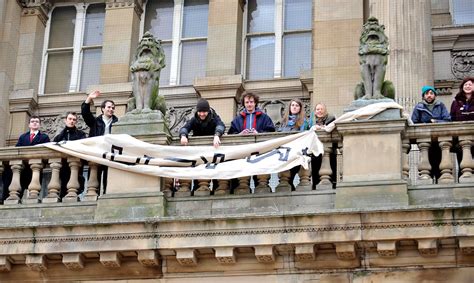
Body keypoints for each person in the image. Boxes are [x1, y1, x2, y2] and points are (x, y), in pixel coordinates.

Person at [81, 90, 118, 194]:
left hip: (110, 153)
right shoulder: (95, 122)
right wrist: (89, 98)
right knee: (94, 177)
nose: (111, 109)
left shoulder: (117, 122)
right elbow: (85, 113)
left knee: (108, 177)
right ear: (103, 109)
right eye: (109, 107)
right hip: (96, 152)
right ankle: (93, 196)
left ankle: (106, 196)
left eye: (113, 108)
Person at [412, 86, 451, 182]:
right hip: (425, 140)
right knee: (427, 162)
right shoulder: (418, 107)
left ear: (434, 95)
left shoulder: (440, 105)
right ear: (423, 96)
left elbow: (447, 120)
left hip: (439, 139)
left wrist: (435, 121)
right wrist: (426, 123)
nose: (429, 95)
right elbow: (414, 122)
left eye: (431, 93)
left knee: (439, 163)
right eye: (427, 93)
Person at [8, 116, 50, 200]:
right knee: (19, 189)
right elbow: (17, 150)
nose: (34, 123)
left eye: (37, 122)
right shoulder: (23, 137)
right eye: (32, 121)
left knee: (34, 191)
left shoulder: (44, 137)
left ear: (39, 125)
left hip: (36, 167)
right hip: (23, 168)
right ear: (29, 124)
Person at [53, 112, 87, 199]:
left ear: (76, 122)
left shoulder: (81, 134)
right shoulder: (59, 136)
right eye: (70, 119)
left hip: (76, 165)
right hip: (63, 166)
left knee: (76, 186)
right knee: (63, 186)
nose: (72, 121)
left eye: (74, 119)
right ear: (66, 120)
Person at [278, 99, 308, 190]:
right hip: (285, 151)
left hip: (296, 151)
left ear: (300, 108)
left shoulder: (304, 122)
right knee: (286, 176)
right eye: (293, 105)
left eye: (297, 105)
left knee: (292, 175)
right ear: (290, 107)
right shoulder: (283, 122)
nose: (294, 107)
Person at [308, 103, 336, 189]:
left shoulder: (332, 119)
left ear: (325, 110)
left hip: (328, 148)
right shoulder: (311, 122)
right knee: (315, 166)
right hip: (315, 149)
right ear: (315, 112)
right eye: (317, 109)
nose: (319, 111)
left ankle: (333, 183)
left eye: (321, 109)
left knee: (330, 165)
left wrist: (322, 128)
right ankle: (315, 184)